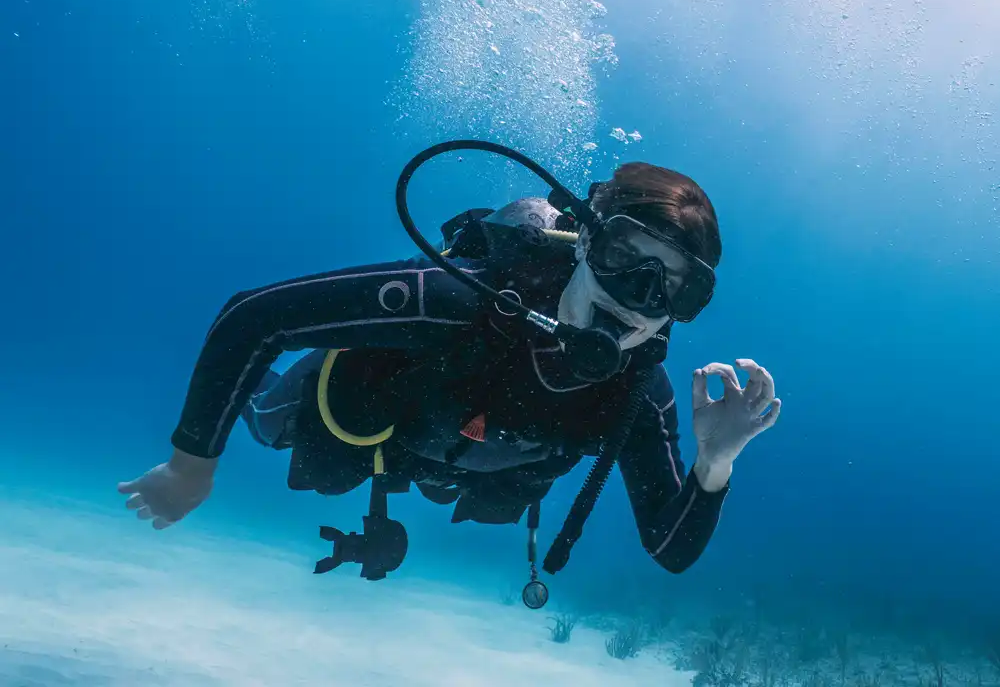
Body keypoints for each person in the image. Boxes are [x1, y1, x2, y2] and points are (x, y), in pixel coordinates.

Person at [117, 149, 781, 592]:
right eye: (623, 257)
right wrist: (190, 465)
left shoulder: (641, 394)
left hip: (463, 461)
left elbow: (670, 550)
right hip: (376, 419)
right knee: (271, 422)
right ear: (585, 240)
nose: (634, 296)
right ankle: (245, 389)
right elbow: (253, 318)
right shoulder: (465, 301)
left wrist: (714, 463)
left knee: (470, 484)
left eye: (668, 287)